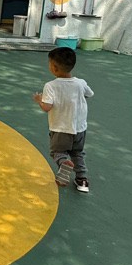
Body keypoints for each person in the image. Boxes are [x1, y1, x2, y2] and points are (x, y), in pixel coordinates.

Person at [32, 46, 94, 193]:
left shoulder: (51, 86)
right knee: (77, 153)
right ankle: (82, 180)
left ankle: (63, 163)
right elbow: (88, 94)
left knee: (58, 152)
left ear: (54, 68)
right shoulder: (81, 83)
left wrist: (39, 100)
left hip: (60, 128)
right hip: (79, 128)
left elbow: (47, 107)